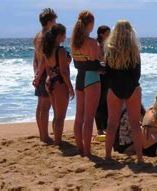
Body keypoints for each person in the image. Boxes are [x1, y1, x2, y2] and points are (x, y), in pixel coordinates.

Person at [103, 20, 143, 163]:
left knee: (112, 124)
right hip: (132, 87)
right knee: (135, 124)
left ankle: (108, 156)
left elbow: (107, 73)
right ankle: (139, 157)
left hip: (114, 88)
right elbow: (137, 74)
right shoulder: (134, 50)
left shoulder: (110, 50)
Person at [71, 10, 101, 157]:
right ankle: (88, 151)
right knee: (89, 118)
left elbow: (77, 64)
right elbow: (95, 65)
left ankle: (80, 149)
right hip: (91, 79)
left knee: (79, 117)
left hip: (79, 78)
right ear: (89, 24)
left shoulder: (74, 42)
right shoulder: (91, 42)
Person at [41, 23, 74, 145]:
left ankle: (57, 139)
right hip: (60, 83)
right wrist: (70, 87)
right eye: (64, 35)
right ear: (60, 35)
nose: (65, 37)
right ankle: (58, 141)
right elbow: (64, 72)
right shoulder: (60, 51)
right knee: (61, 115)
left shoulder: (47, 50)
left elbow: (48, 69)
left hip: (50, 81)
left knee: (56, 114)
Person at [32, 8, 57, 144]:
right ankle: (45, 136)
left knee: (40, 105)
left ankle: (42, 134)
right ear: (49, 22)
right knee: (46, 106)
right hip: (46, 73)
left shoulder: (37, 36)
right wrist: (41, 74)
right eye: (54, 20)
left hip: (39, 72)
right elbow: (44, 58)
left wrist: (36, 73)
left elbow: (35, 58)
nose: (55, 23)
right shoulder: (48, 36)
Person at [95, 25, 111, 135]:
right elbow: (96, 60)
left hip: (107, 75)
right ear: (101, 34)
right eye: (107, 34)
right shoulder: (96, 45)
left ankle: (105, 127)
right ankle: (100, 128)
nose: (109, 36)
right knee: (99, 102)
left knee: (106, 102)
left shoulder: (107, 45)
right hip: (99, 75)